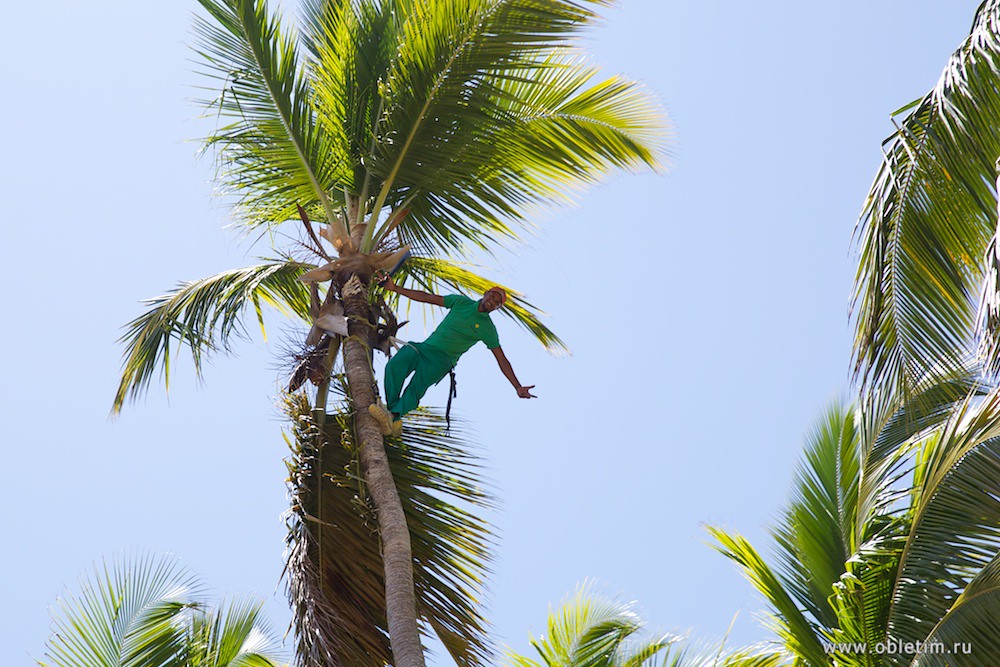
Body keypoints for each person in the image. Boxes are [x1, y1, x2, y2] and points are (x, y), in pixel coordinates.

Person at [368, 275, 536, 436]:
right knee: (396, 364)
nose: (493, 302)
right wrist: (394, 288)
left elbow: (501, 359)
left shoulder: (488, 329)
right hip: (425, 348)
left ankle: (392, 415)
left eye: (497, 303)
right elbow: (426, 297)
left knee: (416, 388)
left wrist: (517, 386)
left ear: (496, 308)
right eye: (493, 296)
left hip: (442, 360)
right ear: (485, 294)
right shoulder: (461, 302)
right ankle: (392, 414)